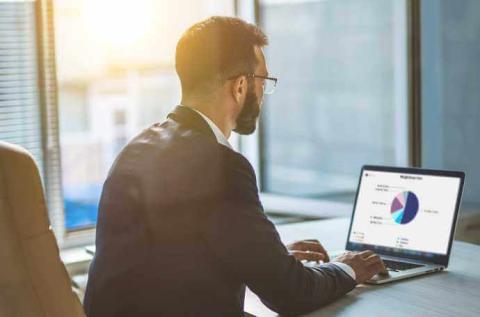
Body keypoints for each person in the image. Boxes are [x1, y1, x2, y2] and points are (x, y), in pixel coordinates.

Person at [84, 16, 387, 317]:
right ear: (241, 86)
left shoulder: (137, 149)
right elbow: (291, 294)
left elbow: (171, 258)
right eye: (263, 82)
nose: (264, 96)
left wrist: (265, 258)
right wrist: (348, 268)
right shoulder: (222, 165)